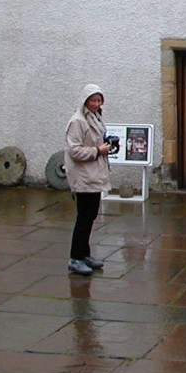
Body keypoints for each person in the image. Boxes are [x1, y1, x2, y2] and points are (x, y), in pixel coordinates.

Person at [64, 83, 113, 275]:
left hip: (93, 174)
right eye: (93, 100)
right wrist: (97, 151)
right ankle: (75, 257)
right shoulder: (77, 121)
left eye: (99, 100)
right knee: (84, 217)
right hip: (84, 176)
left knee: (90, 216)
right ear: (85, 101)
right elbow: (74, 150)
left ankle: (84, 254)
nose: (96, 103)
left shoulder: (95, 117)